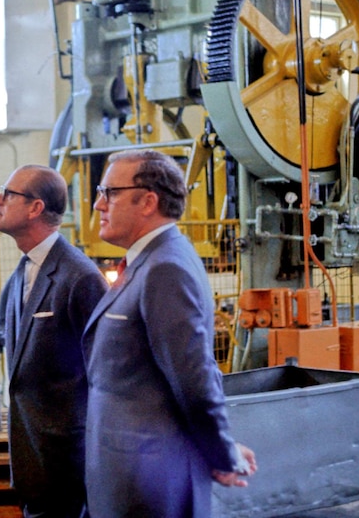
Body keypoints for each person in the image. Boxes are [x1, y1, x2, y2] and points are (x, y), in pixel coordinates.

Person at [82, 150, 256, 518]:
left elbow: (193, 379)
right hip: (129, 477)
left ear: (148, 201)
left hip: (150, 486)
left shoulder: (165, 268)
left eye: (109, 192)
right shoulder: (147, 262)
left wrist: (222, 453)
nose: (98, 204)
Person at [0, 165, 108, 518]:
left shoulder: (80, 277)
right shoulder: (21, 274)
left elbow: (102, 374)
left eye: (8, 194)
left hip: (67, 463)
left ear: (35, 208)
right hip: (32, 458)